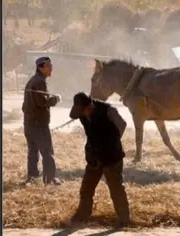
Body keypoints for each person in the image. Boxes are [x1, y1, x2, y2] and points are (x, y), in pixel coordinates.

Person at [69, 92, 130, 227]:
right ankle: (83, 216)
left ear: (90, 104)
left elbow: (122, 125)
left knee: (116, 189)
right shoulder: (80, 112)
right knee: (86, 188)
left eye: (84, 110)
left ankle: (124, 220)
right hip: (94, 157)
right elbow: (75, 115)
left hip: (111, 157)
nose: (83, 114)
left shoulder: (108, 110)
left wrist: (111, 142)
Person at [22, 57, 62, 186]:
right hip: (39, 125)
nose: (51, 68)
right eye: (49, 66)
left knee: (32, 152)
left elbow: (24, 106)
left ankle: (32, 177)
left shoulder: (32, 81)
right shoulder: (39, 82)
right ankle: (49, 179)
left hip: (29, 124)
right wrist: (56, 99)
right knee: (47, 152)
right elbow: (42, 102)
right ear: (40, 67)